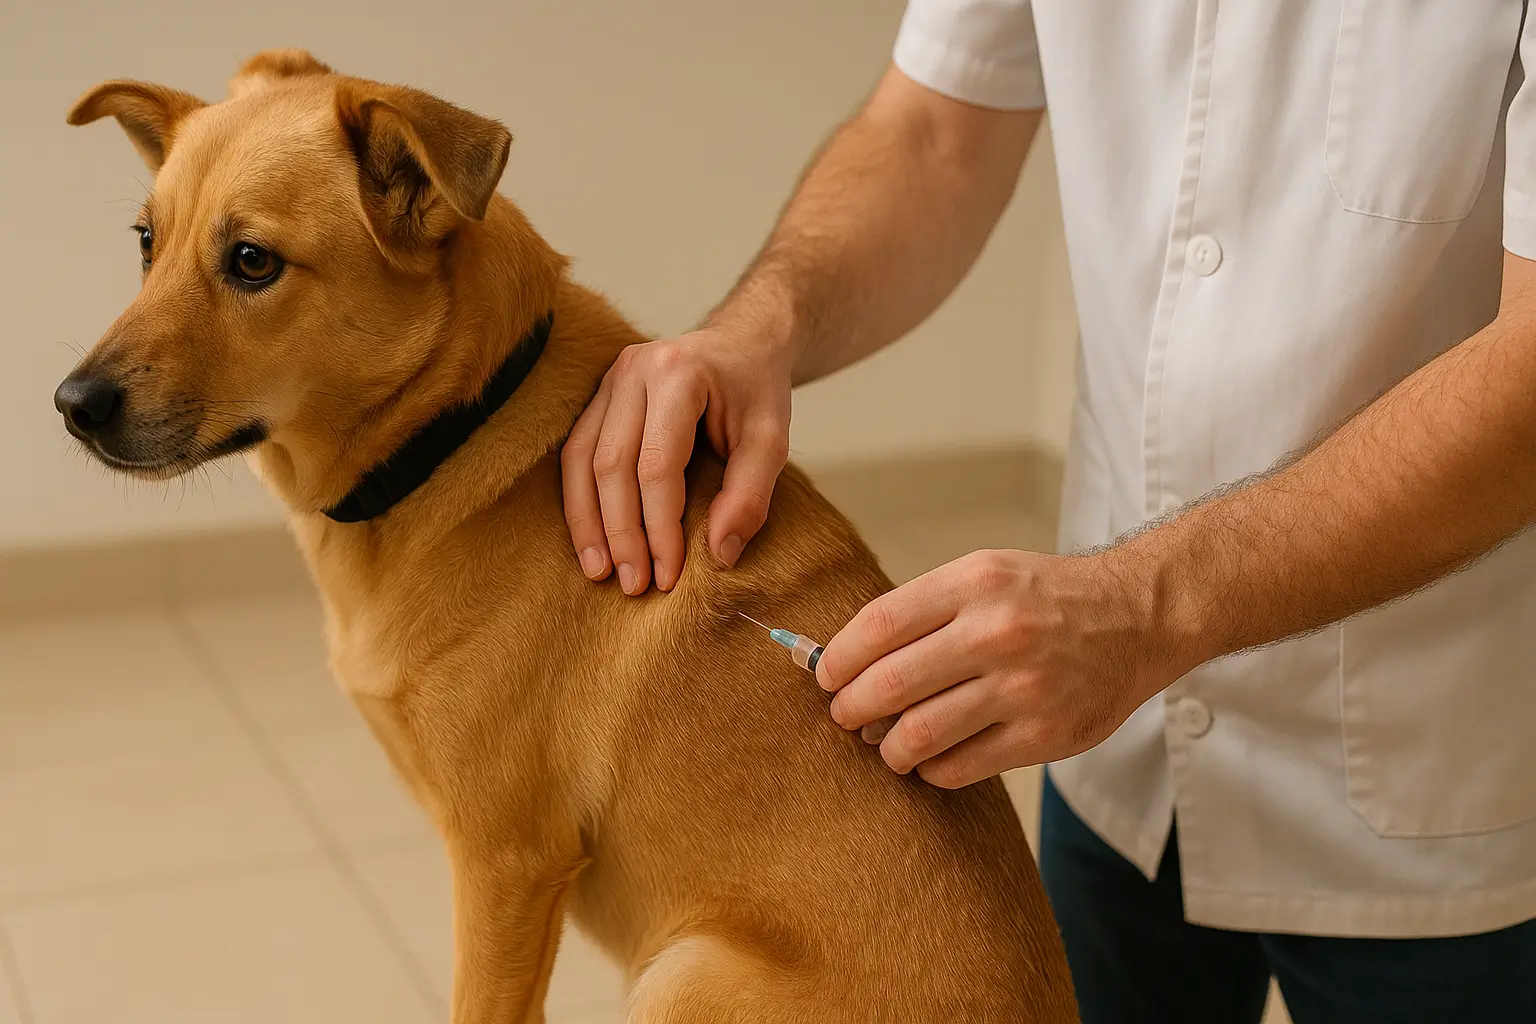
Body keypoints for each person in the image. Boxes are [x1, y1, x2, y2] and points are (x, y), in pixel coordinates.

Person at [560, 2, 1536, 1021]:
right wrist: (760, 324)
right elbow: (933, 135)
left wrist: (1144, 609)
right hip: (1115, 757)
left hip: (1437, 786)